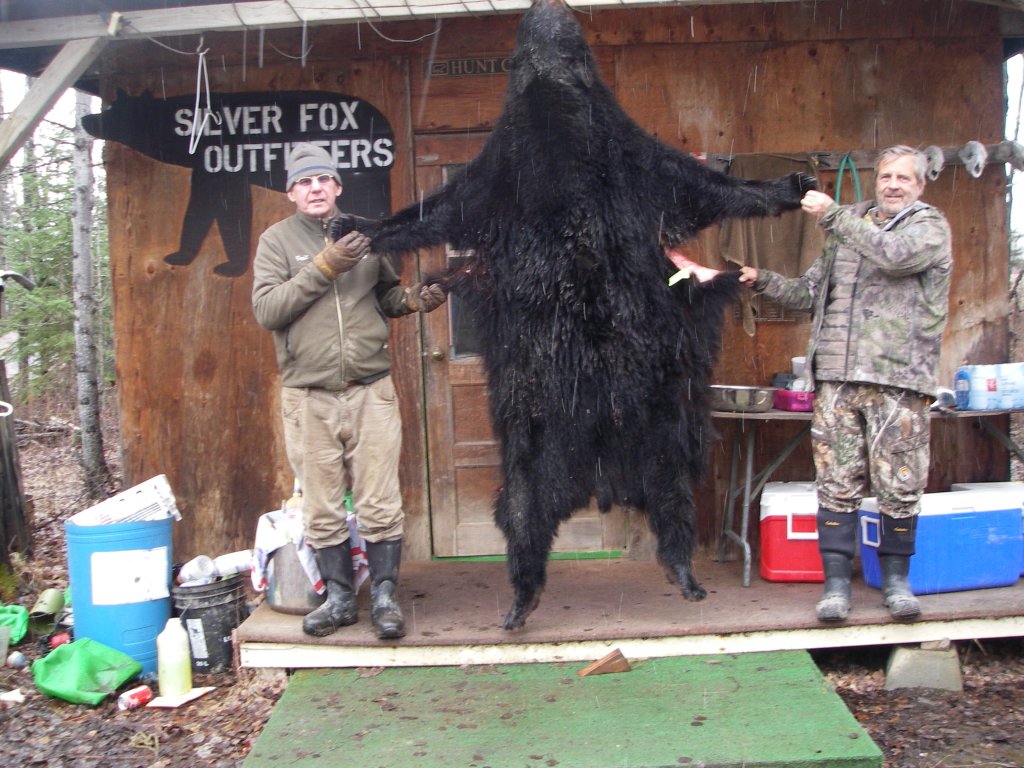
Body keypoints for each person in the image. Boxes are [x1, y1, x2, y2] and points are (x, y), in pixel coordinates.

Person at [739, 145, 952, 623]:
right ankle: (836, 586)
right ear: (876, 180)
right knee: (835, 485)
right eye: (887, 176)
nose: (893, 184)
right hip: (835, 378)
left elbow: (894, 258)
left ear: (920, 186)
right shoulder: (846, 228)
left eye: (904, 178)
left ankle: (897, 582)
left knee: (900, 485)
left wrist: (834, 215)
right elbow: (810, 292)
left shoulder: (928, 228)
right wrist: (761, 280)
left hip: (897, 379)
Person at [252, 143, 447, 639]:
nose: (314, 189)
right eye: (303, 182)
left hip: (370, 391)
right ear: (290, 192)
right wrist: (325, 265)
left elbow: (384, 296)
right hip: (307, 396)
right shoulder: (275, 242)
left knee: (380, 501)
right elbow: (269, 311)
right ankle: (339, 599)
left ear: (337, 186)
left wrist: (414, 299)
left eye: (323, 179)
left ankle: (384, 598)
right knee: (321, 505)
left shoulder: (368, 233)